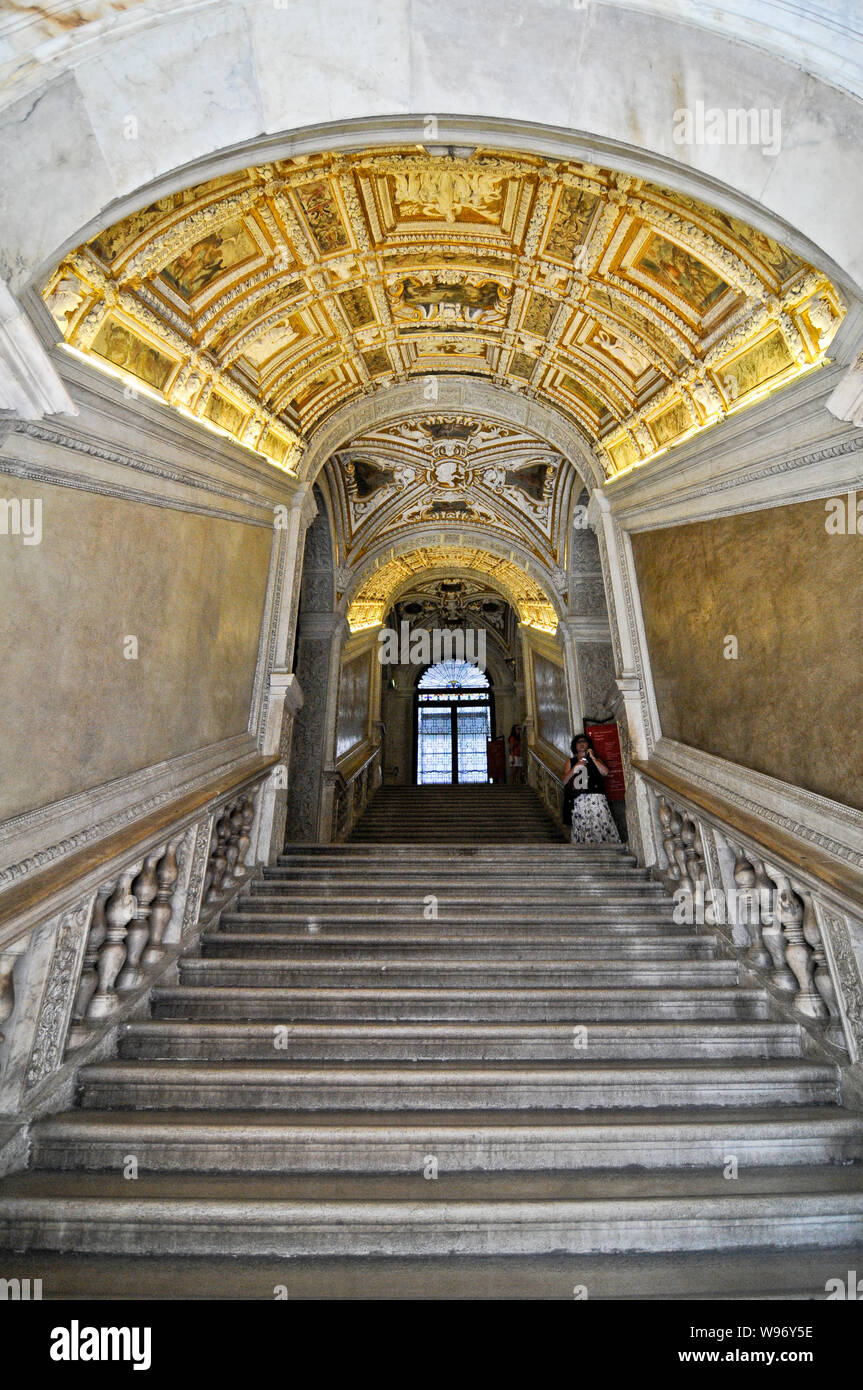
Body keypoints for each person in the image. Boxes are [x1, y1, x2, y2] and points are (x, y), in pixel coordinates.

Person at [562, 733, 621, 844]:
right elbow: (564, 781)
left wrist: (593, 758)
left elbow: (605, 772)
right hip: (579, 799)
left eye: (584, 742)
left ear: (589, 745)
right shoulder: (571, 761)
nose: (582, 744)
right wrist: (576, 766)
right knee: (583, 825)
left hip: (596, 798)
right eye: (579, 742)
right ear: (575, 746)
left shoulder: (596, 760)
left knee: (600, 823)